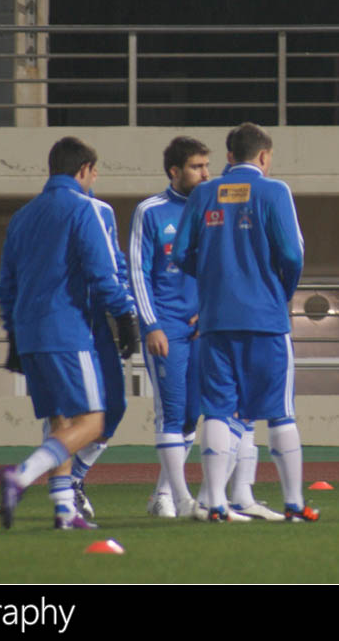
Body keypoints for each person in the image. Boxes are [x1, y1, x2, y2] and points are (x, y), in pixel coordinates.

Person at [171, 122, 317, 523]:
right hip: (266, 319)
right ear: (264, 156)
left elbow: (180, 253)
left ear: (229, 156)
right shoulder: (274, 191)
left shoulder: (203, 193)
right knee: (280, 412)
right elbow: (293, 254)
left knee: (218, 410)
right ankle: (293, 503)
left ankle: (216, 503)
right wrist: (280, 291)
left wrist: (213, 278)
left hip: (216, 320)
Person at [0, 136, 139, 530]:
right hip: (68, 328)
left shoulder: (22, 216)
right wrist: (125, 315)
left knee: (59, 422)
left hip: (30, 332)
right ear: (83, 170)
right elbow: (103, 271)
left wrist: (13, 334)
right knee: (93, 421)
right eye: (94, 171)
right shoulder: (83, 209)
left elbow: (7, 283)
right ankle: (21, 477)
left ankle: (63, 509)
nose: (95, 178)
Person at [130, 136, 210, 519]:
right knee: (172, 414)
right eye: (197, 166)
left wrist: (208, 311)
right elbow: (138, 272)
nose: (205, 173)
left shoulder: (211, 209)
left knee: (193, 415)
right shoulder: (150, 211)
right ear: (175, 171)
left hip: (202, 328)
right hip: (166, 327)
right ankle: (180, 499)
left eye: (206, 165)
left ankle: (162, 493)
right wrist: (151, 324)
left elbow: (218, 265)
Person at [66, 188, 131, 521]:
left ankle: (73, 478)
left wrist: (125, 310)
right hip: (60, 325)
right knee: (65, 413)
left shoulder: (101, 211)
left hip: (96, 325)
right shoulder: (41, 212)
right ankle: (60, 493)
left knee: (114, 406)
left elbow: (115, 263)